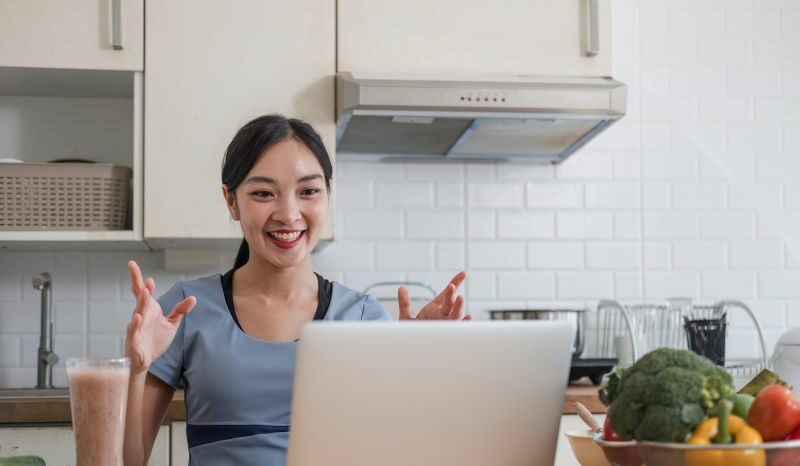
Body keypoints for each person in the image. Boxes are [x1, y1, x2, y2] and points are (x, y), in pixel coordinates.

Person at [122, 114, 470, 466]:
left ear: (327, 196)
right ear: (231, 201)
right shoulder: (185, 310)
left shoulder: (364, 318)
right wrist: (136, 370)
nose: (289, 214)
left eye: (308, 191)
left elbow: (400, 451)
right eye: (263, 193)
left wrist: (418, 367)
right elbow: (126, 461)